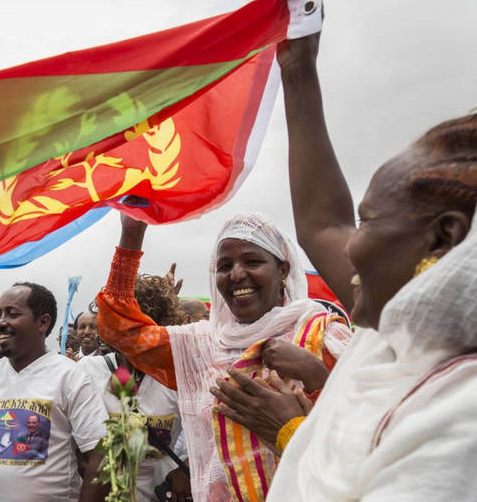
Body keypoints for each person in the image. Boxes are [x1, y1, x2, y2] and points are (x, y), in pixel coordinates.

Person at [214, 30, 477, 500]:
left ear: (444, 238)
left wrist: (291, 429)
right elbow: (323, 224)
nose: (350, 247)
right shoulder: (399, 326)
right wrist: (296, 66)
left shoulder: (461, 416)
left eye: (368, 222)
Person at [96, 210, 353, 502]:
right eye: (224, 266)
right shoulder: (200, 346)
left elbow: (366, 436)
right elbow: (118, 329)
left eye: (252, 261)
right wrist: (132, 233)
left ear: (282, 270)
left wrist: (316, 377)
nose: (237, 274)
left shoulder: (323, 336)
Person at [0, 282, 110, 502]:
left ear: (43, 322)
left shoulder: (70, 376)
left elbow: (103, 458)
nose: (1, 322)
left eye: (12, 314)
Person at [79, 271, 186, 502]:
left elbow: (208, 435)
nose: (128, 335)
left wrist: (186, 469)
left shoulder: (176, 378)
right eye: (120, 324)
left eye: (138, 327)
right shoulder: (87, 371)